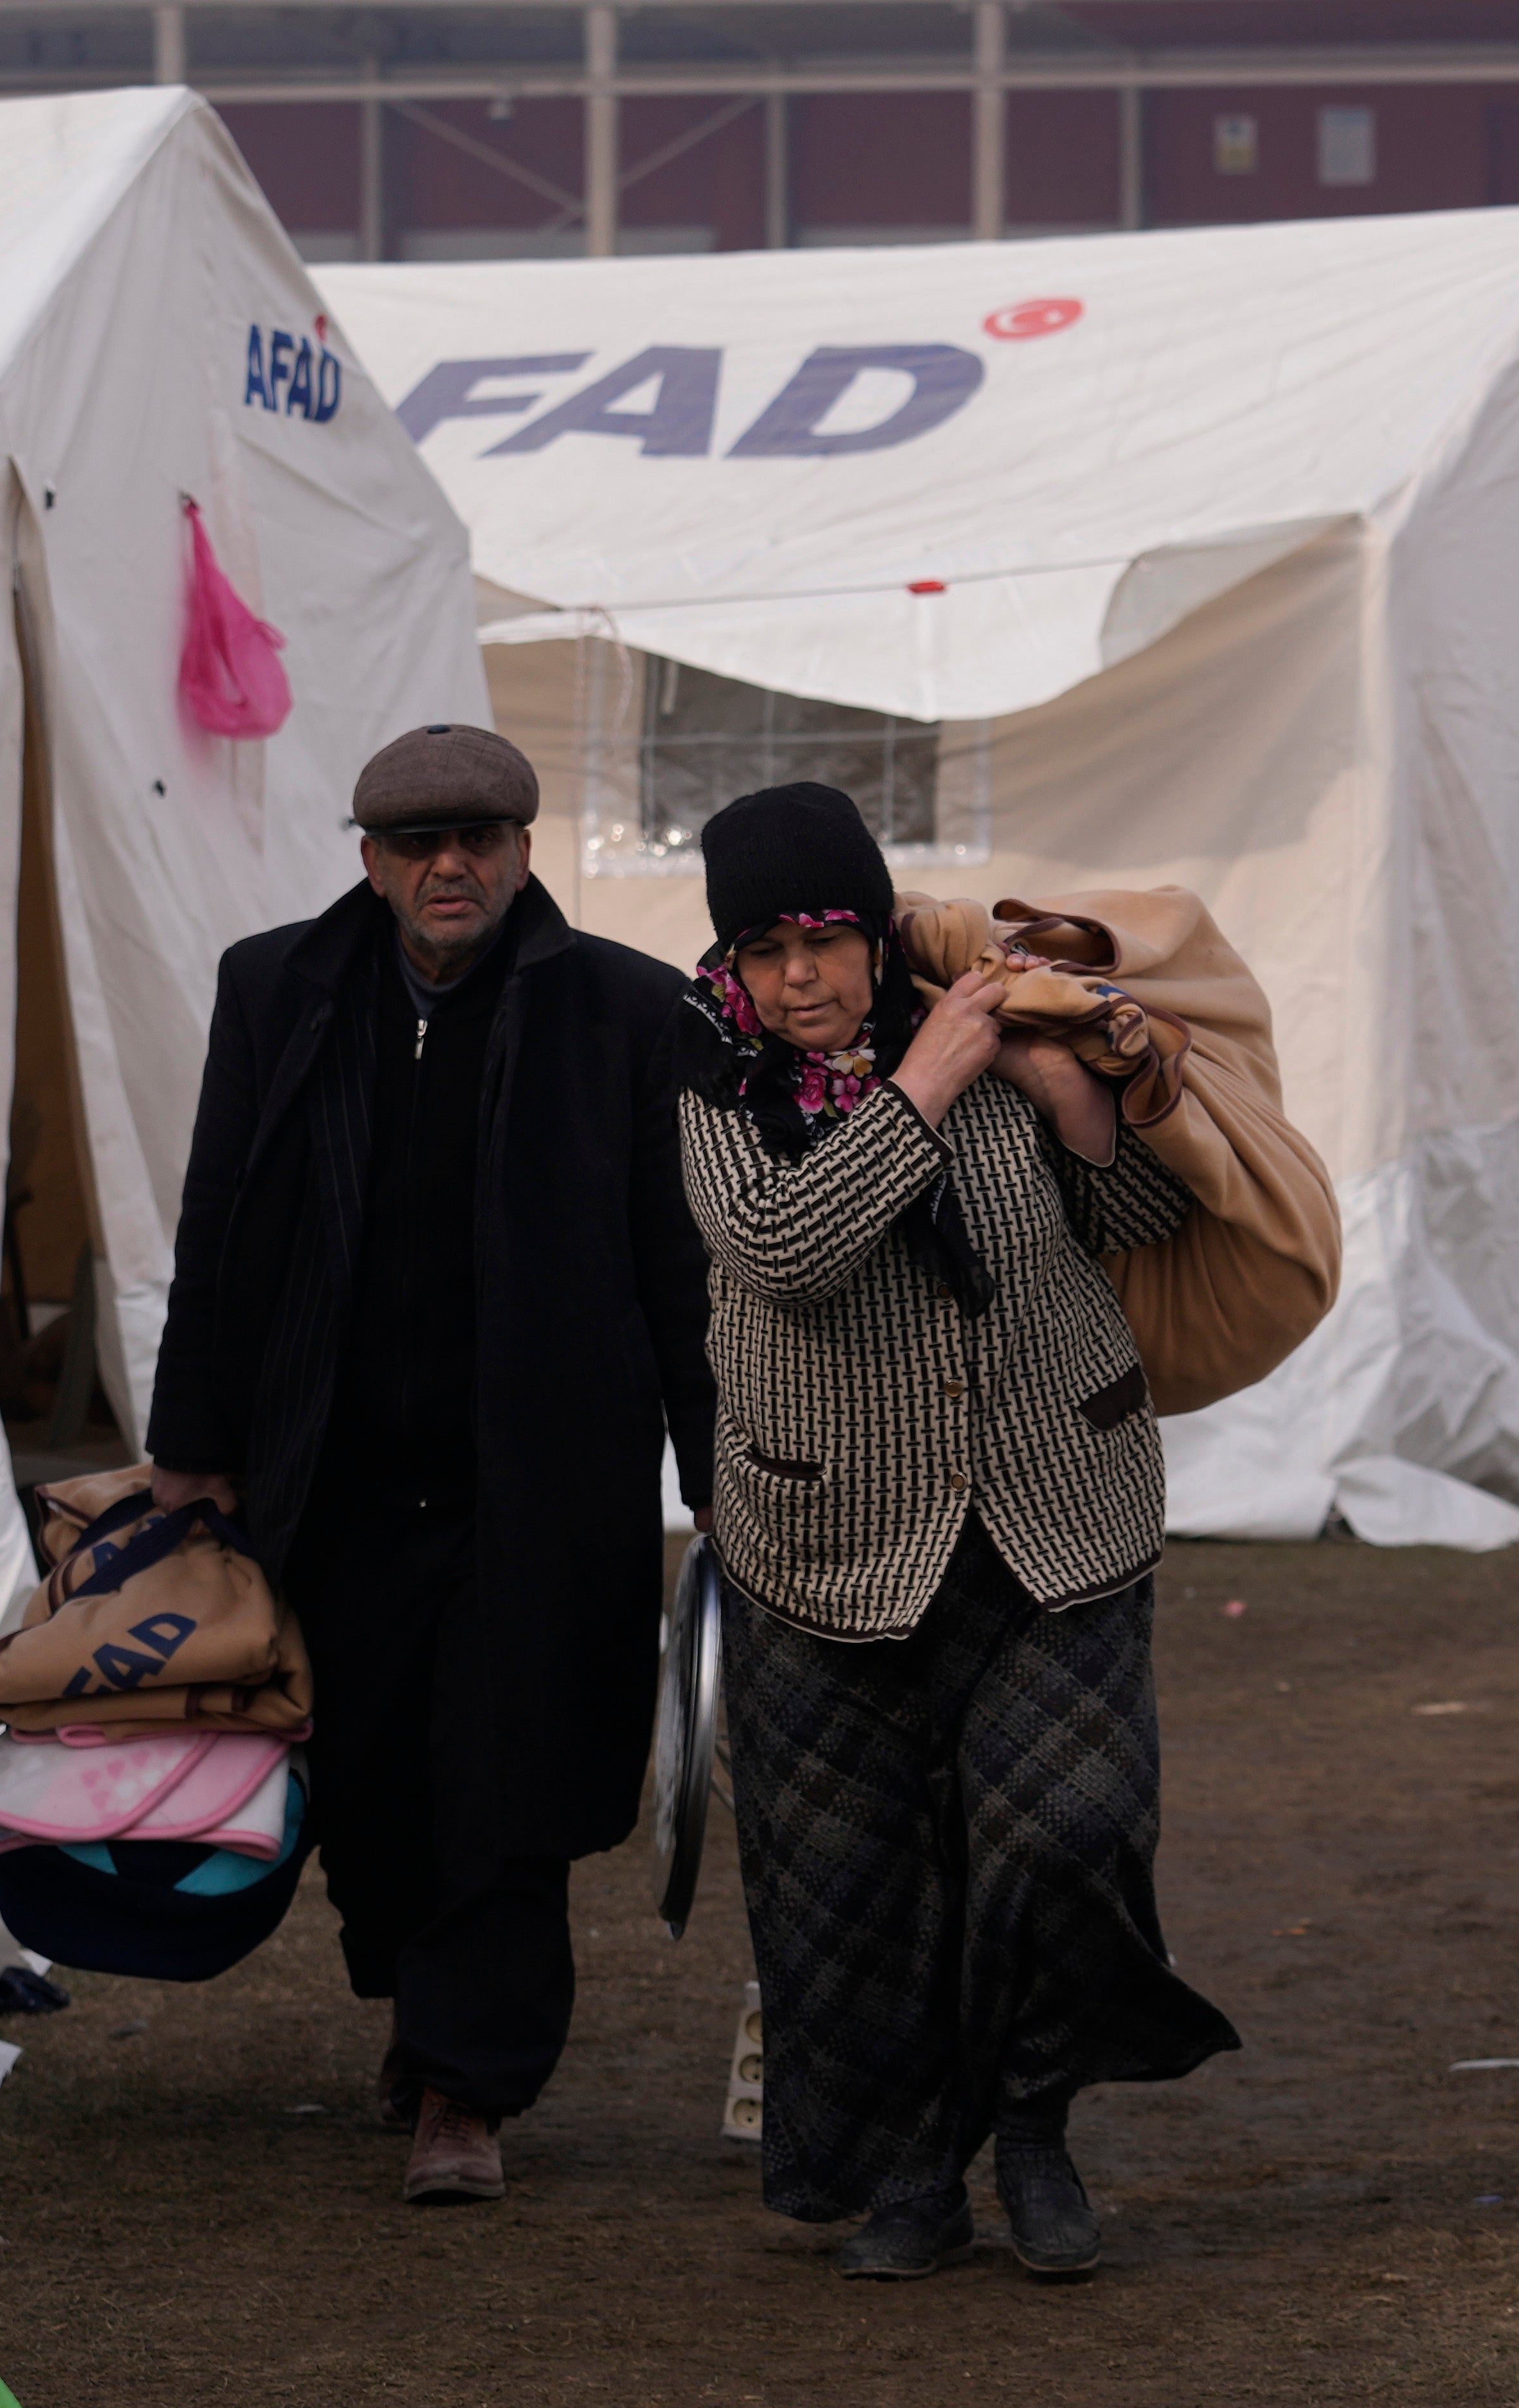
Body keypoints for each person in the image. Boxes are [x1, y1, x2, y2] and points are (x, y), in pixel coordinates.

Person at [145, 722, 716, 2206]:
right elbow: (218, 1219)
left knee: (502, 1779)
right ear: (370, 859)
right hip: (325, 1469)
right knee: (370, 1779)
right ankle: (419, 2007)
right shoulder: (277, 988)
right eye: (417, 843)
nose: (448, 866)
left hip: (532, 1480)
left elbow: (676, 1266)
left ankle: (469, 2082)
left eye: (478, 839)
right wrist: (190, 1445)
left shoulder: (624, 1012)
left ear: (524, 853)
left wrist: (727, 1478)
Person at [676, 784, 1238, 2282]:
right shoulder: (711, 1088)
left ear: (871, 932)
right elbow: (787, 1252)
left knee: (1065, 1832)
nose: (804, 977)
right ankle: (917, 2165)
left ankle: (1036, 2125)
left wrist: (1077, 1109)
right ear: (730, 962)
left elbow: (1124, 1218)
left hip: (1053, 1505)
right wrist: (919, 1088)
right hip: (831, 1534)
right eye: (768, 948)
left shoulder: (988, 1033)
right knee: (865, 1880)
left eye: (828, 939)